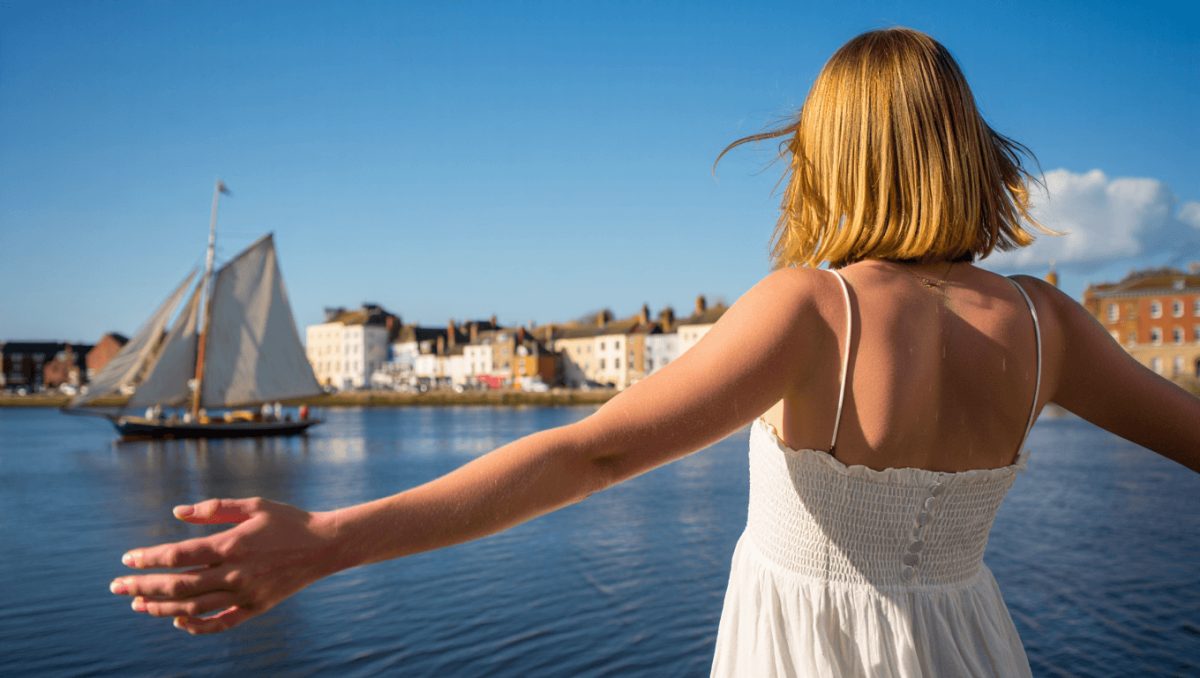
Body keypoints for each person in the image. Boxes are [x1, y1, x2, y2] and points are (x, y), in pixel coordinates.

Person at [107, 27, 1199, 676]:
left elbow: (588, 457)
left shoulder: (814, 309)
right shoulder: (1049, 324)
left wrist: (327, 541)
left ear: (827, 159)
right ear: (967, 150)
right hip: (974, 642)